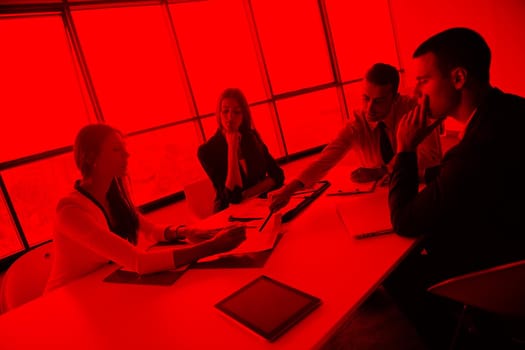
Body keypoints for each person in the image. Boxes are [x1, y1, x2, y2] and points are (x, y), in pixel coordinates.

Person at [385, 27, 525, 349]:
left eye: (422, 81)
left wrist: (405, 149)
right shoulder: (513, 110)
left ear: (458, 78)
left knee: (400, 270)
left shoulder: (475, 150)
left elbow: (404, 219)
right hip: (516, 235)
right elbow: (477, 179)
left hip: (504, 270)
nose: (417, 94)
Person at [45, 124, 246, 291]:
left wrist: (186, 231)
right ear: (90, 158)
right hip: (66, 299)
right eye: (116, 149)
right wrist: (212, 247)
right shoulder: (70, 210)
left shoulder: (112, 195)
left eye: (124, 148)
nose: (126, 154)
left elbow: (149, 230)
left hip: (101, 286)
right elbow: (138, 261)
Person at [269, 63, 442, 212]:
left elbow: (430, 156)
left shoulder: (413, 110)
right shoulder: (357, 122)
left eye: (379, 101)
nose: (369, 108)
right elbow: (326, 158)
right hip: (377, 199)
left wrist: (383, 170)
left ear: (395, 98)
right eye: (366, 98)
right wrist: (289, 189)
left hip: (419, 190)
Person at [198, 88, 284, 212]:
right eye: (225, 111)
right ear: (219, 114)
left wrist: (246, 194)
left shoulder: (251, 137)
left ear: (244, 115)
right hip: (228, 214)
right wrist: (232, 149)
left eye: (237, 112)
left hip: (259, 205)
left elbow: (278, 175)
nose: (230, 117)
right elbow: (233, 196)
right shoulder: (207, 151)